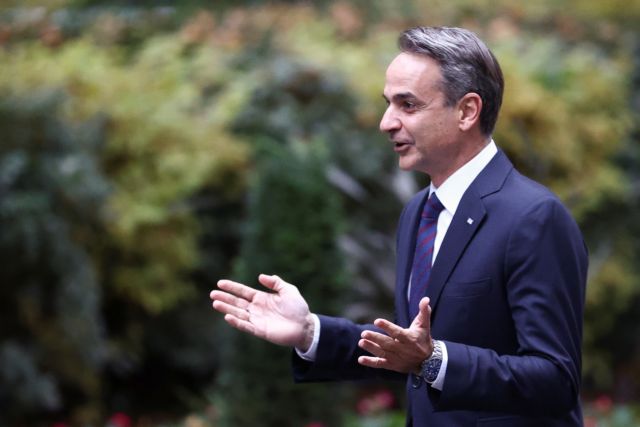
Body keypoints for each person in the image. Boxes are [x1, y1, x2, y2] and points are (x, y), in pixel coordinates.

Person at [210, 26, 588, 426]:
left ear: (467, 111)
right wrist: (309, 332)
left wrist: (433, 360)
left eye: (407, 105)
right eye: (388, 104)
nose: (386, 122)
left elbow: (555, 380)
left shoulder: (534, 217)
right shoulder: (418, 212)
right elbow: (405, 349)